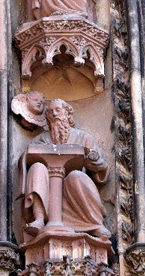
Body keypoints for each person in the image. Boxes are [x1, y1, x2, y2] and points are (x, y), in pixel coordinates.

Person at [22, 99, 110, 240]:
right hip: (48, 196)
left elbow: (102, 170)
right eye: (50, 112)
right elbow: (25, 160)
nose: (54, 114)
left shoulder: (83, 137)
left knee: (75, 176)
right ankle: (39, 218)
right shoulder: (41, 140)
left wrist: (94, 160)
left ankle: (94, 224)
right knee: (37, 167)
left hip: (75, 194)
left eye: (58, 110)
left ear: (67, 113)